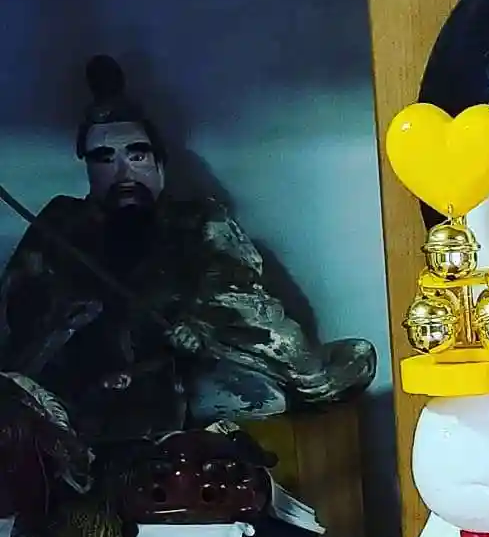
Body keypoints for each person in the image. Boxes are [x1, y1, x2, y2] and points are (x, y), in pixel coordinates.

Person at [0, 54, 375, 447]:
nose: (124, 173)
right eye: (105, 160)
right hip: (83, 382)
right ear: (90, 169)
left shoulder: (197, 220)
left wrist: (198, 327)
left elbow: (237, 292)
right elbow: (19, 316)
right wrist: (73, 321)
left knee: (255, 396)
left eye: (137, 155)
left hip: (180, 371)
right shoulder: (62, 225)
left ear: (159, 162)